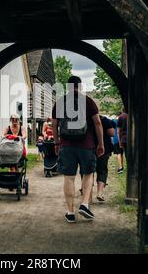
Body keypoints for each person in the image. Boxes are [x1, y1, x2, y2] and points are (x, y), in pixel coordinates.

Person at [51, 76, 104, 223]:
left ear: (68, 87)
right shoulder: (88, 101)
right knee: (88, 174)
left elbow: (54, 125)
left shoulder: (60, 102)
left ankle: (70, 212)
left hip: (67, 146)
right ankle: (85, 204)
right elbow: (98, 123)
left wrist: (56, 143)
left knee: (69, 177)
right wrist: (101, 144)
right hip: (86, 145)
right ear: (80, 86)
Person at [94, 115, 115, 201]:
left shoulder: (86, 119)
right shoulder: (104, 120)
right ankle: (99, 193)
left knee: (88, 171)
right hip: (104, 149)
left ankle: (85, 192)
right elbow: (112, 133)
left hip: (89, 148)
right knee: (102, 170)